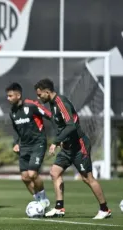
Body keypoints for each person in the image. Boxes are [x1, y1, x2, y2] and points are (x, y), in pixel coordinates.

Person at [35, 78, 111, 219]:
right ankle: (59, 208)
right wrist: (60, 142)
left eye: (39, 95)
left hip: (78, 145)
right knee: (54, 172)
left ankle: (104, 209)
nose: (38, 98)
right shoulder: (52, 104)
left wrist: (55, 141)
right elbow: (62, 127)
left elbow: (71, 125)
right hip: (67, 147)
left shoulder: (61, 103)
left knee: (87, 178)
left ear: (47, 92)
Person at [6, 82, 51, 208]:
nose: (8, 99)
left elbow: (50, 115)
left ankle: (43, 199)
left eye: (10, 96)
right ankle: (38, 201)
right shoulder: (12, 112)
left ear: (18, 95)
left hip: (38, 143)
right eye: (7, 96)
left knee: (32, 174)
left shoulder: (32, 105)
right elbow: (16, 130)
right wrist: (15, 143)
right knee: (25, 178)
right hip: (24, 146)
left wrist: (60, 135)